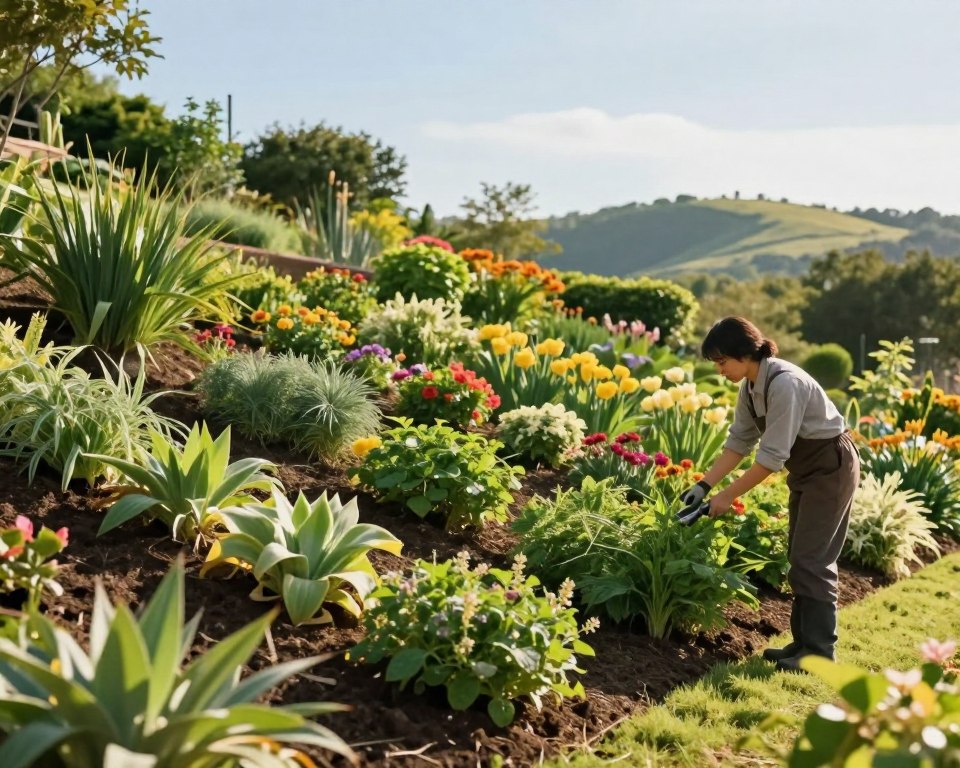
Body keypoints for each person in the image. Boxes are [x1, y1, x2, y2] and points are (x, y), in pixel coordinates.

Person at [679, 316, 859, 672]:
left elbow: (771, 459)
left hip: (831, 466)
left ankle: (821, 654)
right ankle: (803, 644)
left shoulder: (785, 384)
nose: (719, 370)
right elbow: (738, 443)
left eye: (721, 361)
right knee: (799, 555)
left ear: (744, 354)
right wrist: (703, 486)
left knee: (813, 560)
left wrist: (726, 496)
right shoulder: (749, 386)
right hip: (808, 468)